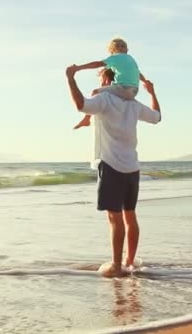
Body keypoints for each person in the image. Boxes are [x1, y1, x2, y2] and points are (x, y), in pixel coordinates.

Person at [65, 65, 162, 278]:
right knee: (130, 216)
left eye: (100, 77)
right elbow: (157, 117)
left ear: (107, 80)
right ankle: (130, 262)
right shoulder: (133, 104)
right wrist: (152, 92)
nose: (98, 83)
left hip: (110, 165)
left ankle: (117, 267)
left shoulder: (103, 99)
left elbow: (81, 105)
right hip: (132, 167)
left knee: (114, 219)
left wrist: (71, 78)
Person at [73, 37, 150, 130]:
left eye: (122, 46)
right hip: (134, 91)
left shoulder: (115, 57)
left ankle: (86, 119)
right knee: (112, 91)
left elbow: (96, 64)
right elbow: (138, 73)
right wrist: (145, 81)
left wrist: (79, 67)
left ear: (112, 51)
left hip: (124, 88)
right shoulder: (131, 59)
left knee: (95, 92)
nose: (121, 48)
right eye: (119, 46)